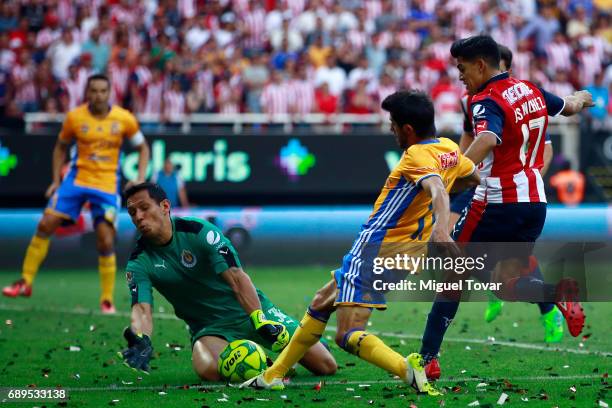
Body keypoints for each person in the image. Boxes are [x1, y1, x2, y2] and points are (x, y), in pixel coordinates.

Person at [242, 90, 480, 395]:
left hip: (374, 249)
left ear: (408, 128)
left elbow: (437, 188)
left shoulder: (415, 156)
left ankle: (407, 369)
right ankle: (274, 374)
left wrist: (442, 231)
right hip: (408, 253)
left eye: (393, 123)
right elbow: (472, 178)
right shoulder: (448, 149)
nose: (390, 128)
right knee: (321, 302)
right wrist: (442, 192)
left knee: (348, 334)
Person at [419, 35, 594, 380]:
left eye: (462, 68)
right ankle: (553, 293)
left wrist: (451, 178)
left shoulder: (484, 99)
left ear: (481, 65)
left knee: (450, 270)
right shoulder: (531, 89)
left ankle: (427, 359)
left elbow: (486, 138)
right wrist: (581, 97)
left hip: (496, 201)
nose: (460, 76)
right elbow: (570, 107)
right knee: (504, 283)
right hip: (534, 204)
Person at [118, 183, 337, 380]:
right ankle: (268, 364)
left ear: (165, 206)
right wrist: (141, 338)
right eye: (132, 212)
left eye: (144, 208)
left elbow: (237, 277)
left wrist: (259, 319)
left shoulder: (199, 232)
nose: (138, 216)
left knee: (326, 366)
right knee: (210, 369)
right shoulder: (139, 262)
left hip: (251, 310)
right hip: (210, 329)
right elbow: (142, 309)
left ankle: (309, 347)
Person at [2, 74, 150, 314]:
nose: (98, 95)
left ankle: (106, 299)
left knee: (104, 238)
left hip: (106, 184)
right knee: (46, 223)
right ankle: (25, 281)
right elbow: (60, 146)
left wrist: (141, 176)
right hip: (76, 180)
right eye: (93, 91)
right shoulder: (75, 117)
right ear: (87, 92)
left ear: (109, 92)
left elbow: (143, 147)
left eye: (103, 91)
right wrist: (55, 181)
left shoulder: (124, 119)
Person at [450, 44, 560, 344]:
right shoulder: (471, 101)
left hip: (504, 188)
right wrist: (460, 171)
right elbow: (468, 136)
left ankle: (545, 305)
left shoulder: (519, 99)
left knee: (461, 254)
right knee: (452, 248)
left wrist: (527, 180)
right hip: (475, 180)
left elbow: (543, 148)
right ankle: (501, 286)